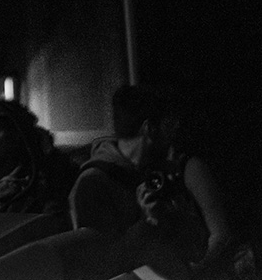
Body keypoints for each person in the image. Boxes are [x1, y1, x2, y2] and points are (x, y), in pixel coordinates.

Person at [69, 85, 236, 278]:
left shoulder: (150, 173)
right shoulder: (92, 184)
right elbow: (99, 264)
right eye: (168, 125)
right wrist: (147, 222)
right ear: (149, 129)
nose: (173, 133)